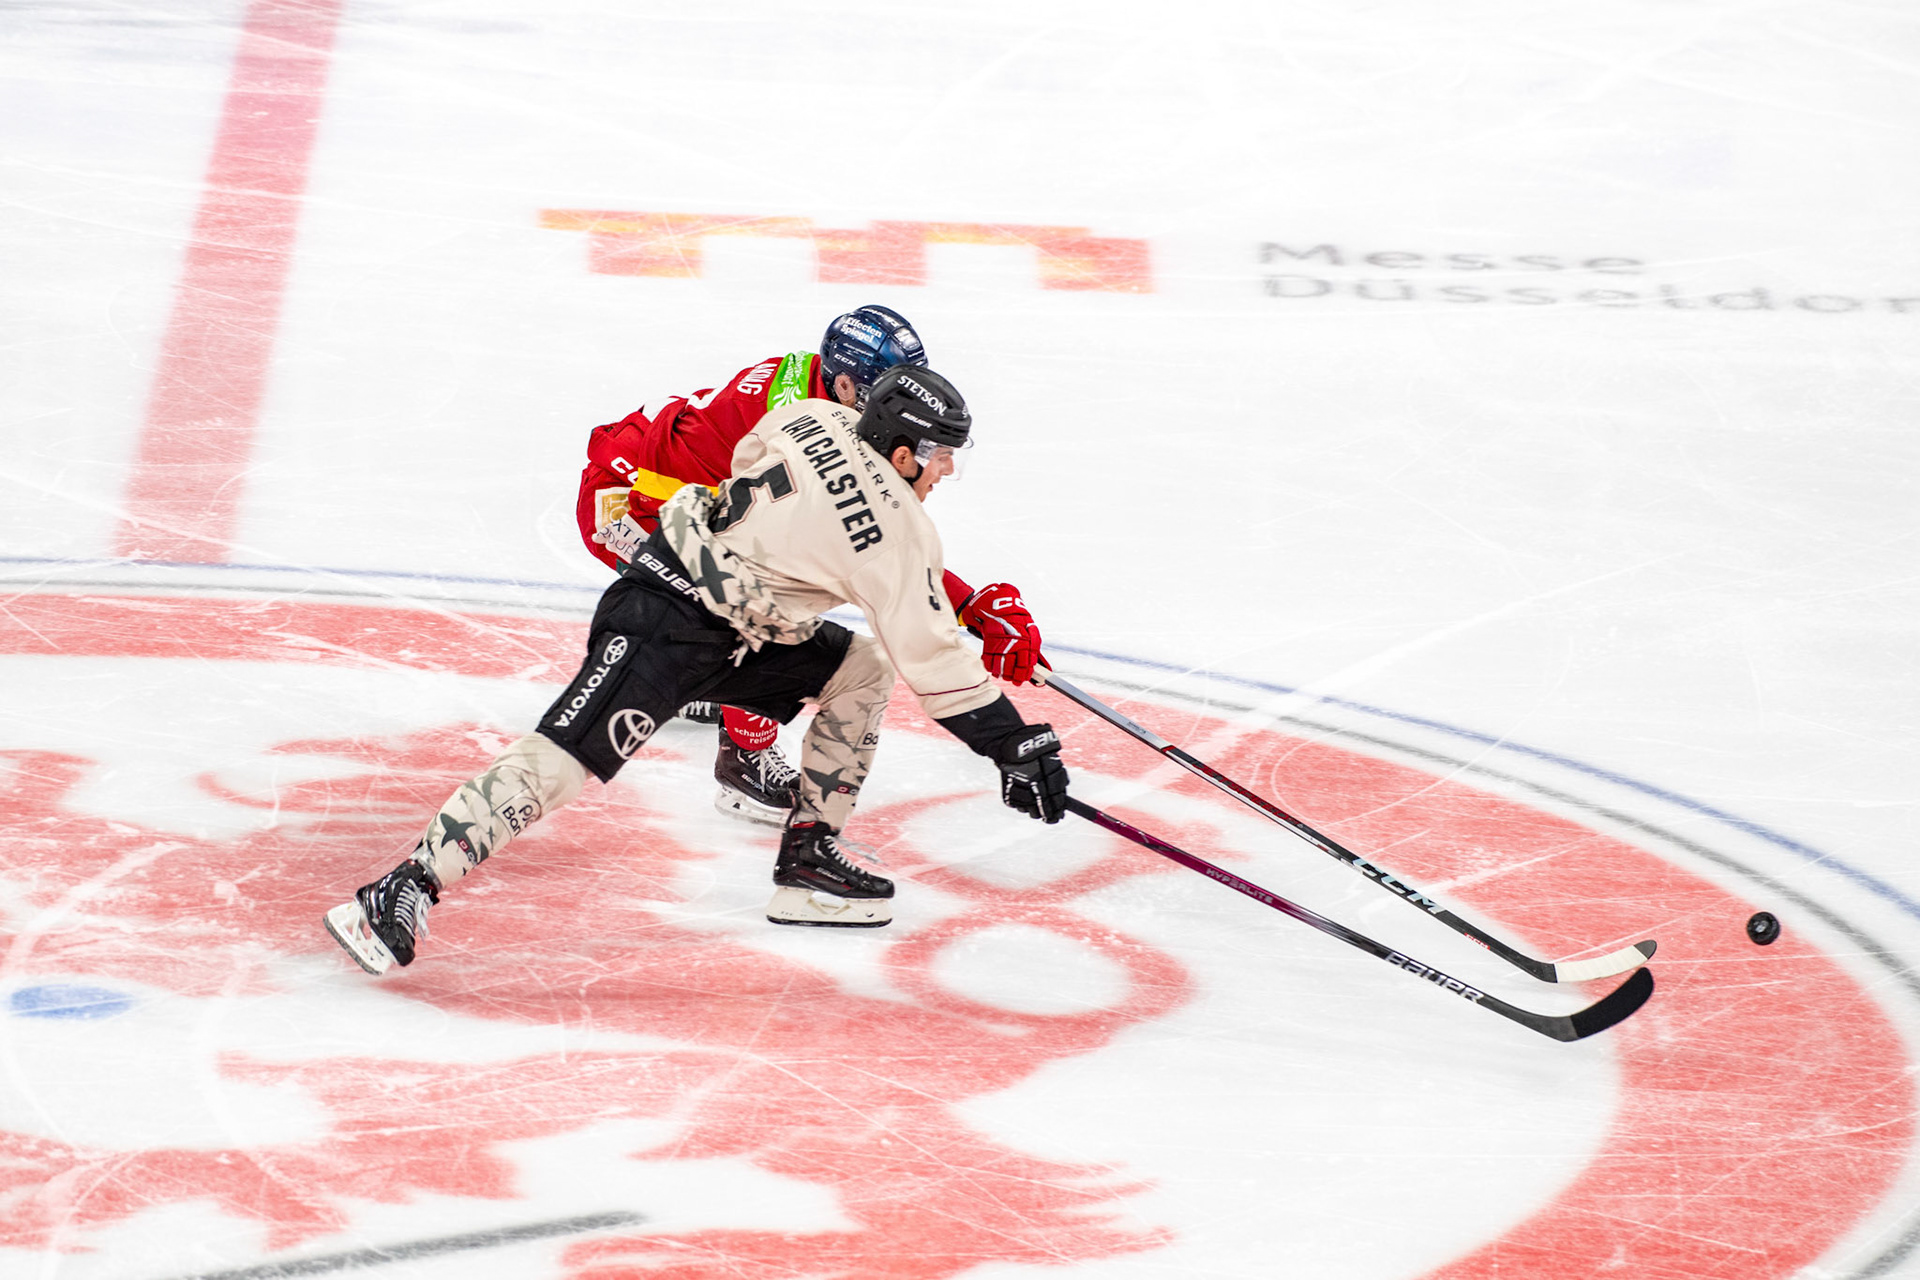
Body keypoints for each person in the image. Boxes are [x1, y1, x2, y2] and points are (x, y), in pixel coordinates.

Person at [327, 365, 1070, 974]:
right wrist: (1014, 745)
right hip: (667, 621)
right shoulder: (898, 532)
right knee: (564, 757)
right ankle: (402, 886)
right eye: (942, 455)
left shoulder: (811, 415)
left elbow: (753, 465)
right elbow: (934, 657)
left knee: (861, 666)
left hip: (737, 625)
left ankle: (811, 857)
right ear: (903, 453)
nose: (945, 471)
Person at [575, 304, 1048, 827]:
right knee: (756, 611)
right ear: (843, 384)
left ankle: (702, 683)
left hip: (682, 492)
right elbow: (863, 543)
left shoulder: (826, 394)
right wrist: (962, 603)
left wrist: (967, 605)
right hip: (627, 504)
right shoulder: (800, 421)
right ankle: (743, 761)